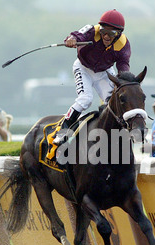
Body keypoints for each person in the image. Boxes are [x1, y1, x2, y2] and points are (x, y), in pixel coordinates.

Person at [53, 9, 131, 145]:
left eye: (111, 33)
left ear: (119, 34)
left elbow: (123, 68)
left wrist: (125, 82)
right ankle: (63, 130)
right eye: (103, 31)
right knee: (86, 99)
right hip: (83, 68)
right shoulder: (91, 30)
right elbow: (77, 35)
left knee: (114, 100)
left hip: (104, 72)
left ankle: (121, 132)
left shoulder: (123, 45)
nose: (106, 36)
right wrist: (71, 40)